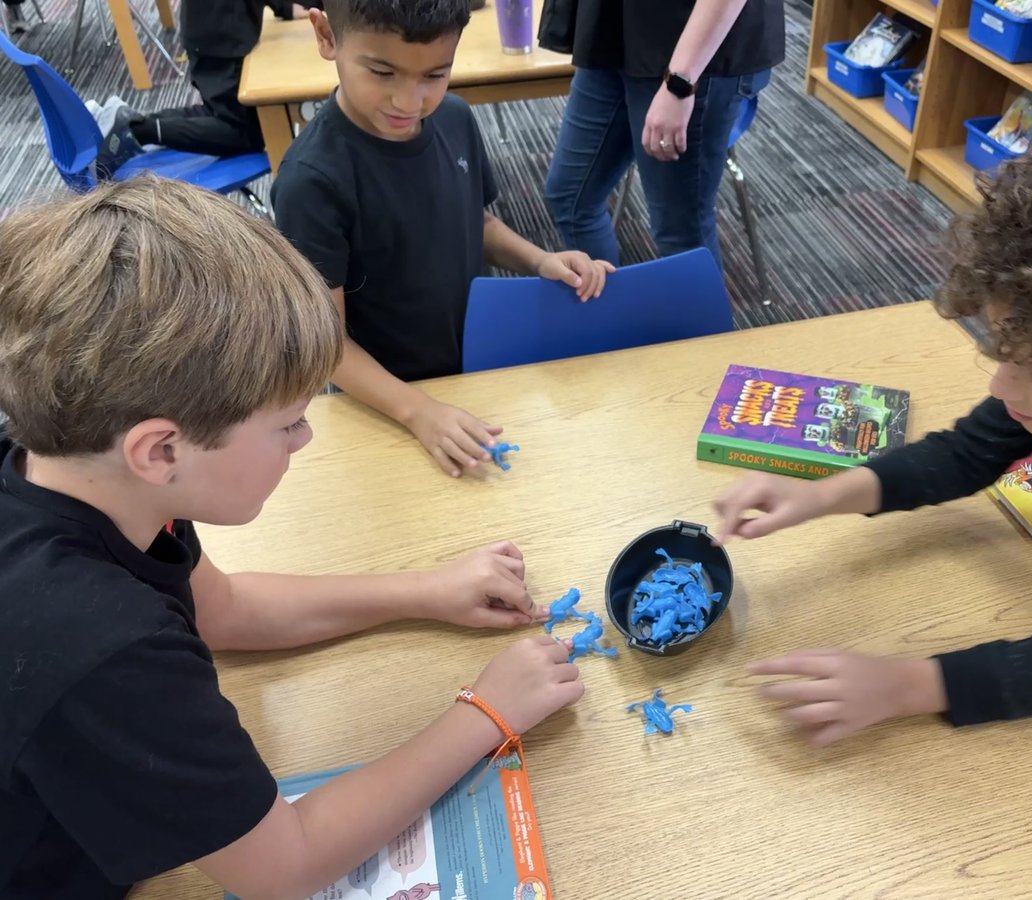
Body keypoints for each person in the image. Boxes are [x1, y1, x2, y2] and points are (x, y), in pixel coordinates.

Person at [0, 177, 585, 900]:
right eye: (286, 425)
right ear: (160, 451)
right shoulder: (105, 641)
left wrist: (428, 590)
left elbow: (222, 611)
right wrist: (487, 714)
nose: (305, 438)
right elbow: (284, 867)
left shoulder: (81, 469)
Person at [713, 94, 1032, 746]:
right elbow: (966, 453)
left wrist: (904, 686)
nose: (1002, 385)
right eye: (1006, 355)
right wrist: (820, 495)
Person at [271, 0, 614, 479]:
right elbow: (327, 347)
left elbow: (473, 220)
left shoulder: (454, 118)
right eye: (382, 72)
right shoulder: (312, 181)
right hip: (391, 399)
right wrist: (418, 411)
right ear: (327, 37)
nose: (409, 103)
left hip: (479, 364)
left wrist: (541, 260)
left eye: (435, 75)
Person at [543, 0, 785, 269]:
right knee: (571, 199)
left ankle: (699, 311)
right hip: (612, 33)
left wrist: (680, 82)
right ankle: (609, 309)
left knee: (680, 233)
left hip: (691, 47)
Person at [122, 1, 321, 157]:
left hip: (211, 31)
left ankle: (129, 122)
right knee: (252, 131)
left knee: (223, 112)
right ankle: (137, 130)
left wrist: (285, 6)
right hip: (221, 38)